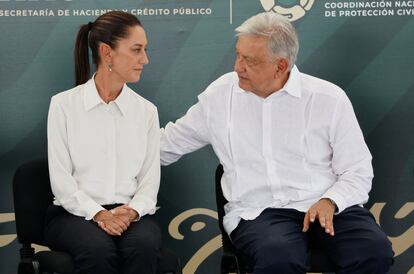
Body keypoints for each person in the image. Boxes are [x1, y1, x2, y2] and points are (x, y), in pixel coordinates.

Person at [160, 12, 394, 273]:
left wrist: (331, 200)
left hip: (327, 206)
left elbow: (357, 169)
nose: (238, 67)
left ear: (280, 66)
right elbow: (168, 144)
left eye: (249, 61)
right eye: (238, 55)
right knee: (279, 257)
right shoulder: (220, 96)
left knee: (374, 251)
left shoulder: (328, 99)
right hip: (259, 212)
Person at [46, 11, 161, 274]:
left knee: (143, 246)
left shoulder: (147, 111)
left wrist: (131, 212)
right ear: (107, 53)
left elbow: (149, 180)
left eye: (144, 50)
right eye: (136, 50)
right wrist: (99, 214)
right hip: (74, 215)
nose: (145, 59)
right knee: (97, 250)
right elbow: (62, 182)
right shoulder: (63, 105)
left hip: (131, 214)